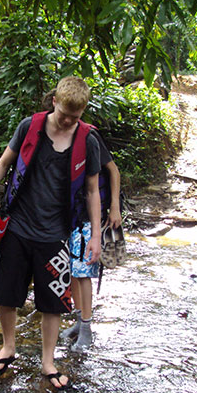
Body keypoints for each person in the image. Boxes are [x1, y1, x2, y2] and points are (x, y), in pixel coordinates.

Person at [0, 76, 102, 388]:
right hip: (18, 227)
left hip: (56, 234)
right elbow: (2, 164)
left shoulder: (87, 141)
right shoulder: (29, 127)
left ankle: (48, 361)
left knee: (52, 303)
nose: (67, 121)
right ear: (54, 101)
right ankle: (8, 347)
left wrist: (95, 236)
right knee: (6, 293)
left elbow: (92, 190)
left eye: (75, 117)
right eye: (64, 113)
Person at [62, 130, 121, 351]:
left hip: (88, 215)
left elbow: (113, 170)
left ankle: (87, 327)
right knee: (72, 271)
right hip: (67, 216)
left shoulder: (89, 138)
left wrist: (114, 207)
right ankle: (79, 321)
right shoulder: (51, 136)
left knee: (83, 270)